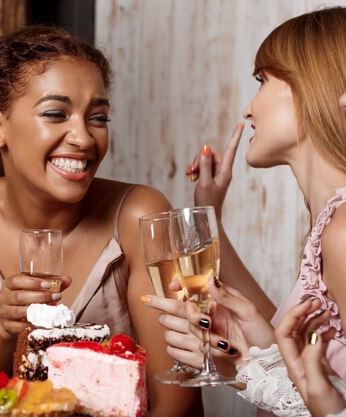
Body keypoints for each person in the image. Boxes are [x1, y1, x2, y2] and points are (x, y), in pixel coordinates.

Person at [0, 25, 204, 415]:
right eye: (56, 114)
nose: (84, 138)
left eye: (98, 118)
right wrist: (4, 329)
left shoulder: (140, 214)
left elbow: (179, 404)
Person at [142, 6, 346, 416]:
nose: (248, 109)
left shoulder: (343, 233)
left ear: (311, 86)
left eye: (263, 80)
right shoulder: (330, 224)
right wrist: (209, 212)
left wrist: (247, 367)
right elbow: (287, 342)